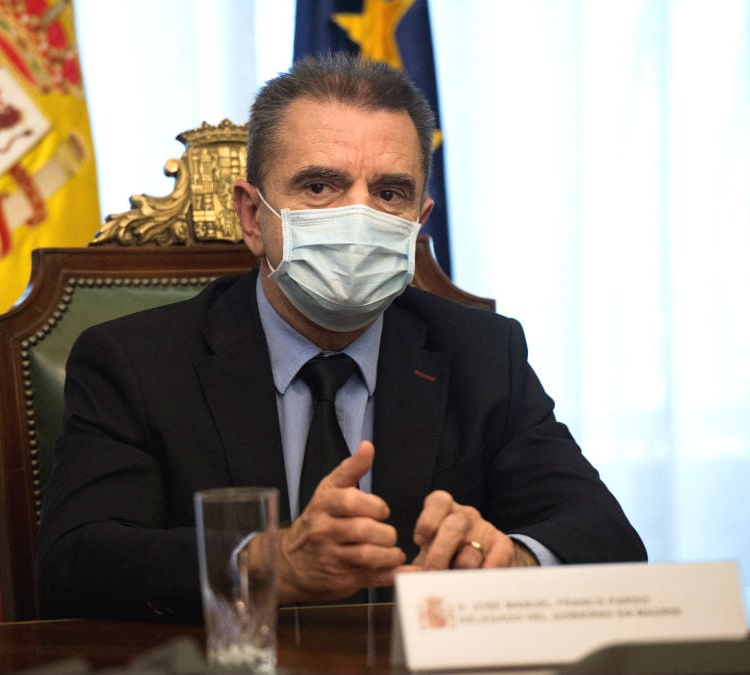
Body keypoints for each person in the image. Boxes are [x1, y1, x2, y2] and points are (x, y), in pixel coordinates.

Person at [36, 53, 645, 621]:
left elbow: (607, 536)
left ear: (417, 221)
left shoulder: (483, 354)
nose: (359, 218)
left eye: (388, 193)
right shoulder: (136, 362)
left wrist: (510, 560)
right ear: (253, 216)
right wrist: (267, 562)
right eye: (320, 186)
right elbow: (75, 563)